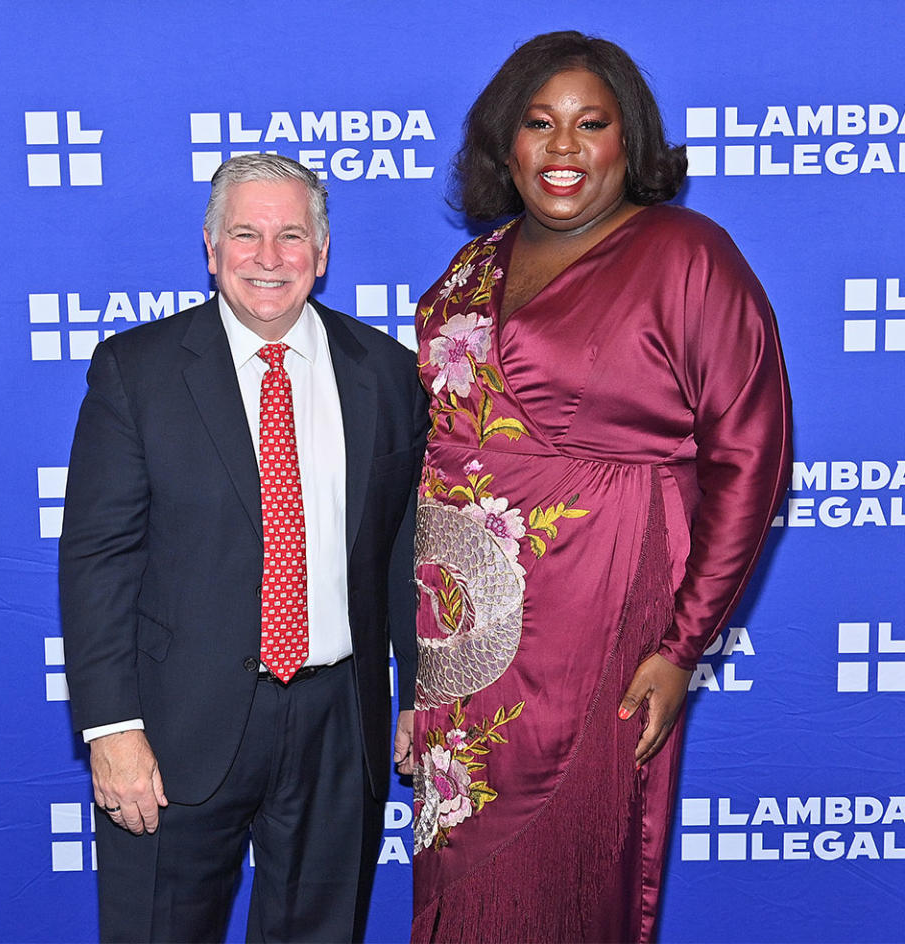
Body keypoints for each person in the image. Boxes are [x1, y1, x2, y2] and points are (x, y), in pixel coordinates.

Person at [408, 32, 791, 943]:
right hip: (461, 638)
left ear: (631, 141)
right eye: (540, 124)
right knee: (457, 864)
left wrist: (682, 643)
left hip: (606, 617)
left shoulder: (688, 256)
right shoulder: (474, 266)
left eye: (592, 123)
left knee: (571, 870)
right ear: (507, 145)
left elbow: (753, 455)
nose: (565, 147)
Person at [59, 153, 428, 943]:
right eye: (246, 234)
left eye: (291, 236)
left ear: (322, 253)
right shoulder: (138, 372)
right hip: (173, 728)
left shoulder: (391, 376)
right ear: (210, 245)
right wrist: (111, 728)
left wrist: (423, 692)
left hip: (339, 725)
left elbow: (404, 551)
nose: (269, 258)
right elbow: (99, 562)